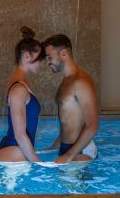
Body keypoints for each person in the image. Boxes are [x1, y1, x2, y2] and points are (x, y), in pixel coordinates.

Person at [43, 34, 99, 164]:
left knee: (70, 183)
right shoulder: (66, 80)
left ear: (63, 54)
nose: (48, 62)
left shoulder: (80, 82)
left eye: (49, 57)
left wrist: (69, 155)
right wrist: (55, 146)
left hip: (80, 150)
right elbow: (68, 121)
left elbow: (93, 125)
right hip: (67, 148)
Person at [0, 26, 45, 163]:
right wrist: (38, 163)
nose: (42, 63)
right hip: (13, 153)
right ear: (27, 56)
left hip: (16, 153)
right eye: (40, 58)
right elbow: (20, 135)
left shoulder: (20, 83)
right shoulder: (18, 89)